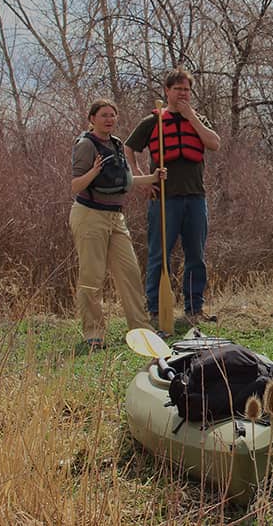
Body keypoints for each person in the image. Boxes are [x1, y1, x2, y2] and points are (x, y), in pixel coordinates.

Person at [124, 68, 222, 328]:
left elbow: (214, 143)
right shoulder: (153, 121)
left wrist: (191, 117)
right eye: (178, 89)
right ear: (167, 91)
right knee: (159, 256)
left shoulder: (197, 119)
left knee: (196, 256)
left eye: (187, 90)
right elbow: (128, 147)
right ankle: (156, 309)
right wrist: (141, 178)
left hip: (195, 198)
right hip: (164, 199)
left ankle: (194, 308)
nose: (182, 94)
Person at [70, 99, 167, 349]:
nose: (109, 119)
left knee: (130, 273)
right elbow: (75, 185)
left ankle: (141, 329)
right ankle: (94, 334)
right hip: (90, 215)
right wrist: (93, 172)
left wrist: (151, 178)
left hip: (116, 216)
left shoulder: (116, 144)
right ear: (92, 118)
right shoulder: (85, 145)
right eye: (104, 115)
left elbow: (124, 180)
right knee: (92, 276)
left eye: (113, 115)